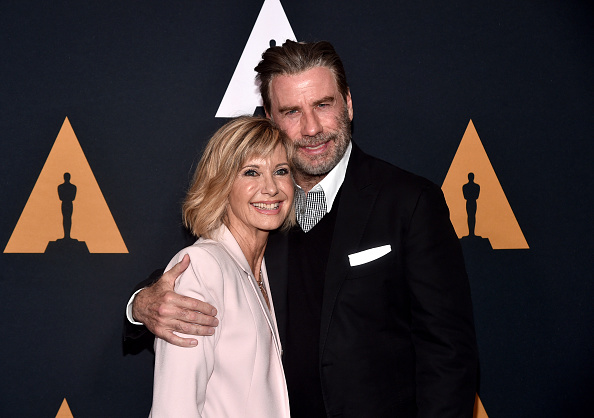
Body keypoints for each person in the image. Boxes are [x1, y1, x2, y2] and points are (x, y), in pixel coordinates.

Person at [126, 40, 479, 417]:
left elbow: (448, 352)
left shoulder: (409, 202)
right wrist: (139, 304)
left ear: (347, 103)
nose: (311, 128)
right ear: (270, 118)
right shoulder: (260, 208)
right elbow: (194, 276)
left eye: (323, 105)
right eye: (292, 111)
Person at [149, 116, 294, 417]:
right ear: (222, 183)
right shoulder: (202, 268)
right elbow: (175, 409)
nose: (271, 188)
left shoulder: (267, 267)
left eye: (281, 171)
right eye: (251, 172)